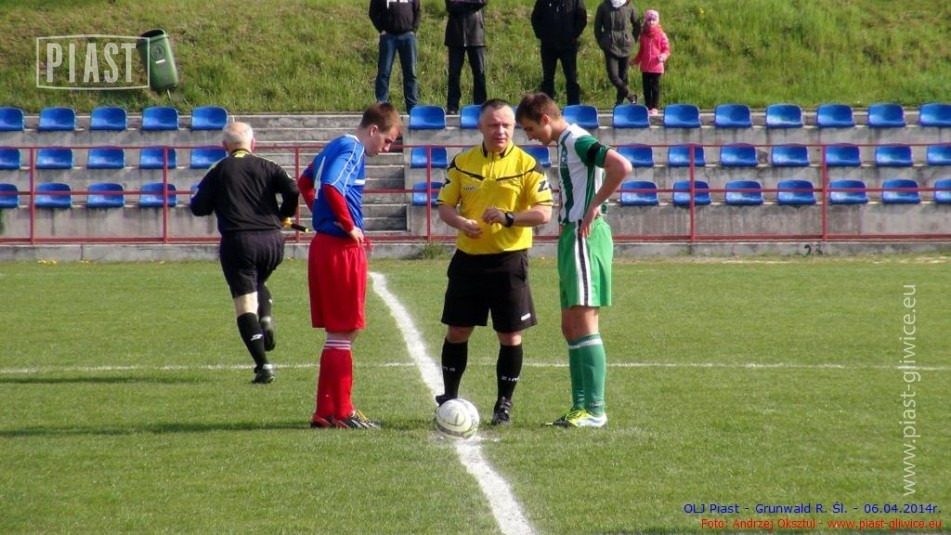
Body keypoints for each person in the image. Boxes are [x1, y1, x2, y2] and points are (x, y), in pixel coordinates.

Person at [515, 93, 632, 428]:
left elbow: (621, 166)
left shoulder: (577, 139)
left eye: (530, 128)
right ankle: (579, 407)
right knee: (569, 326)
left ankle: (595, 410)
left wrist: (594, 204)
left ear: (545, 119)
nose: (529, 137)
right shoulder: (565, 143)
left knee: (584, 322)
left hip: (585, 235)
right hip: (571, 235)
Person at [434, 99, 553, 426]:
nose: (500, 131)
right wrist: (460, 222)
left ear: (514, 127)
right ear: (480, 127)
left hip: (509, 262)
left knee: (510, 335)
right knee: (458, 330)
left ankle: (504, 404)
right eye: (493, 125)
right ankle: (449, 397)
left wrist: (509, 217)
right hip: (468, 262)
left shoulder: (528, 165)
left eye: (506, 125)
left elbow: (544, 212)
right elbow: (445, 206)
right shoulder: (462, 162)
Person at [298, 102, 402, 429]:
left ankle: (325, 411)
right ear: (373, 129)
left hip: (325, 245)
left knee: (340, 333)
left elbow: (304, 182)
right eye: (387, 141)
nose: (386, 149)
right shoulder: (353, 149)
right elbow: (330, 185)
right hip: (340, 248)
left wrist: (322, 216)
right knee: (345, 329)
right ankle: (343, 412)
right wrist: (347, 225)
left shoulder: (335, 145)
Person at [190, 122, 300, 384]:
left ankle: (263, 366)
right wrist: (284, 214)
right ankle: (266, 317)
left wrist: (218, 201)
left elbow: (198, 207)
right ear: (253, 144)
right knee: (258, 282)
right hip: (273, 242)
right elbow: (293, 190)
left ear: (224, 146)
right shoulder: (269, 165)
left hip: (239, 242)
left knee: (244, 304)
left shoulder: (218, 170)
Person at [530, 0, 588, 106]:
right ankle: (547, 107)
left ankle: (573, 107)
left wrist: (573, 34)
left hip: (568, 46)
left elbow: (582, 17)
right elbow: (535, 18)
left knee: (571, 78)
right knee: (547, 79)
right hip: (548, 46)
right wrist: (542, 35)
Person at [369, 0, 420, 112]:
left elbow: (417, 11)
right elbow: (373, 13)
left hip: (408, 36)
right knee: (384, 72)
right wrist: (381, 29)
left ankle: (412, 107)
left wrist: (414, 29)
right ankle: (381, 105)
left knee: (411, 73)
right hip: (388, 37)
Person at [444, 0, 488, 115]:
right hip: (455, 35)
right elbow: (451, 6)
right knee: (454, 73)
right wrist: (471, 4)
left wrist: (461, 2)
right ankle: (452, 106)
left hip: (476, 34)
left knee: (479, 72)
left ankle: (480, 105)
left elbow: (482, 2)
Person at [594, 0, 640, 106]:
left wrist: (632, 40)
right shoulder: (603, 7)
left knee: (624, 75)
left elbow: (637, 25)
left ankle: (619, 102)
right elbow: (597, 27)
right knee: (613, 76)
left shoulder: (629, 6)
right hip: (609, 46)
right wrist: (602, 42)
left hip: (626, 45)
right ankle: (630, 95)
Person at [630, 9, 669, 116]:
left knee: (655, 88)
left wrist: (663, 56)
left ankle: (655, 107)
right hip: (645, 67)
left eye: (653, 20)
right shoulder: (643, 35)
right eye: (649, 20)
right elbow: (641, 51)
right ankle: (647, 106)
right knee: (646, 88)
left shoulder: (661, 34)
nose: (651, 22)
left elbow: (666, 49)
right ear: (646, 21)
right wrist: (635, 61)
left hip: (656, 66)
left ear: (657, 21)